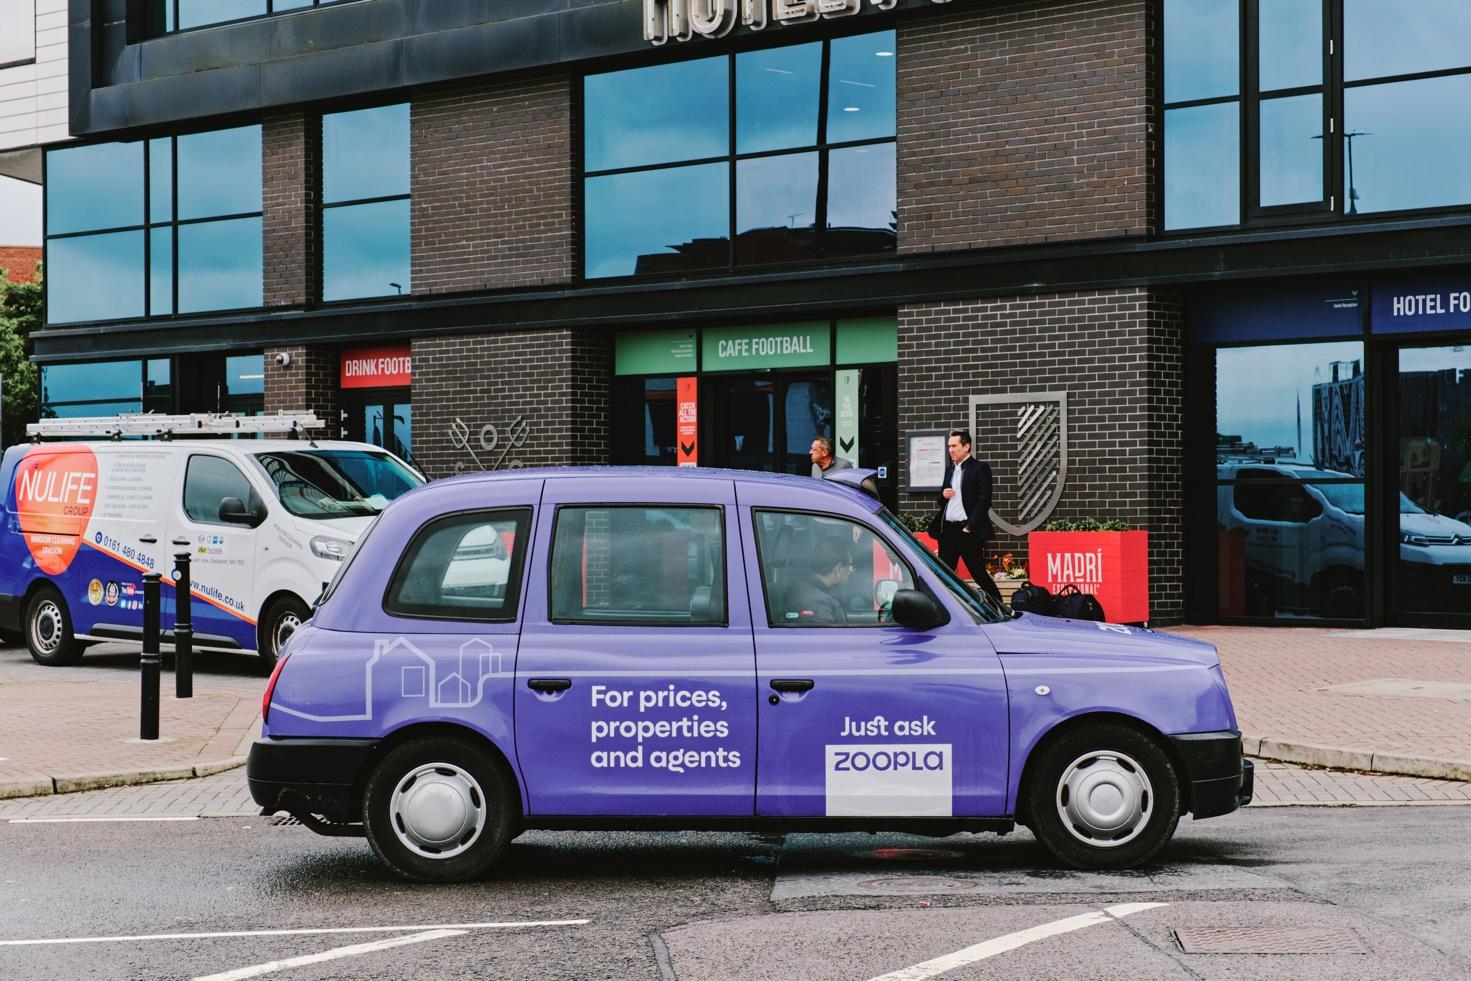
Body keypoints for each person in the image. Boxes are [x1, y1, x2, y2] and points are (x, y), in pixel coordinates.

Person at [928, 429, 1004, 604]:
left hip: (967, 531)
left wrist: (969, 527)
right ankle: (944, 608)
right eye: (949, 446)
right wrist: (943, 495)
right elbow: (943, 501)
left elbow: (984, 500)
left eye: (955, 446)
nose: (951, 450)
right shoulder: (949, 470)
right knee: (944, 576)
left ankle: (1000, 607)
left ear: (966, 446)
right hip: (947, 531)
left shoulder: (980, 468)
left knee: (979, 574)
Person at [787, 539, 853, 624]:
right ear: (838, 569)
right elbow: (830, 636)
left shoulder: (805, 587)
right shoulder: (817, 606)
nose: (851, 570)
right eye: (850, 565)